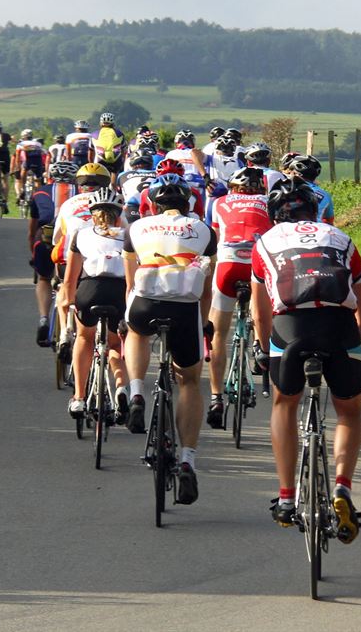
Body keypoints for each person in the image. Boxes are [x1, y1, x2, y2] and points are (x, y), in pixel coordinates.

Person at [250, 179, 361, 543]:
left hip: (290, 329)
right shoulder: (341, 238)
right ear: (315, 211)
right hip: (339, 328)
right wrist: (351, 345)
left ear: (275, 216)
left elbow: (260, 314)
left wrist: (263, 349)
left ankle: (287, 497)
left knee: (284, 403)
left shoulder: (265, 242)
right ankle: (342, 487)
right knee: (349, 410)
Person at [122, 173, 217, 506]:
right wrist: (203, 324)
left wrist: (126, 316)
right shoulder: (205, 230)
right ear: (188, 203)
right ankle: (188, 460)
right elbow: (207, 287)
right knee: (189, 382)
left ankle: (136, 393)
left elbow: (130, 282)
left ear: (152, 204)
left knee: (136, 332)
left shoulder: (136, 228)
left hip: (145, 302)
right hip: (185, 308)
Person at [205, 167, 271, 428]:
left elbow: (215, 241)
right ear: (261, 189)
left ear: (233, 188)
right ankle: (259, 345)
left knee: (218, 334)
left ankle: (216, 397)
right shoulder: (269, 202)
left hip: (228, 265)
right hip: (257, 264)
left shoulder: (219, 202)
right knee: (263, 312)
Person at [62, 188, 130, 422]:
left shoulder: (81, 235)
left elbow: (70, 279)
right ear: (118, 217)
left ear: (93, 216)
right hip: (119, 292)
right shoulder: (129, 235)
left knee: (84, 338)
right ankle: (120, 387)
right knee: (115, 344)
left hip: (89, 290)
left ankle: (79, 397)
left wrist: (68, 303)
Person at [50, 163, 115, 352]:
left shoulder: (69, 204)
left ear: (80, 185)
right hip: (105, 262)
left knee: (63, 286)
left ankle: (65, 330)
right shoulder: (115, 201)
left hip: (72, 258)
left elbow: (56, 238)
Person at [28, 161, 80, 346]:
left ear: (51, 176)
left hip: (45, 239)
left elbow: (32, 229)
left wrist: (33, 253)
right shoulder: (81, 193)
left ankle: (43, 317)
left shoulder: (40, 192)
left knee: (43, 278)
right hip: (73, 243)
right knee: (74, 279)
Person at [134, 160, 207, 220]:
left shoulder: (146, 192)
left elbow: (142, 214)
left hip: (157, 225)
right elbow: (200, 215)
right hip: (186, 224)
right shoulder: (194, 192)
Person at [281, 153, 335, 225]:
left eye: (291, 172)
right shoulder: (325, 195)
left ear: (296, 174)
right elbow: (329, 220)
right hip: (317, 228)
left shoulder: (286, 189)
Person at [117, 149, 158, 223]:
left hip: (131, 209)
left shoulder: (122, 175)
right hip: (154, 208)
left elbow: (120, 195)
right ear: (150, 163)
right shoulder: (158, 174)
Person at [14, 129, 48, 200]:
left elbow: (17, 156)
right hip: (38, 161)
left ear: (23, 136)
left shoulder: (20, 144)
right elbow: (43, 153)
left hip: (28, 161)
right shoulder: (38, 143)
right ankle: (38, 195)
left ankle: (22, 188)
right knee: (38, 180)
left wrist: (17, 167)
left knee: (23, 172)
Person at [93, 112, 126, 177]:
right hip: (115, 160)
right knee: (115, 175)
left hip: (100, 159)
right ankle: (114, 182)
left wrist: (91, 163)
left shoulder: (94, 134)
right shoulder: (120, 133)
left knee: (99, 178)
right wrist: (122, 162)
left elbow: (90, 152)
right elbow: (123, 150)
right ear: (113, 123)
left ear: (101, 123)